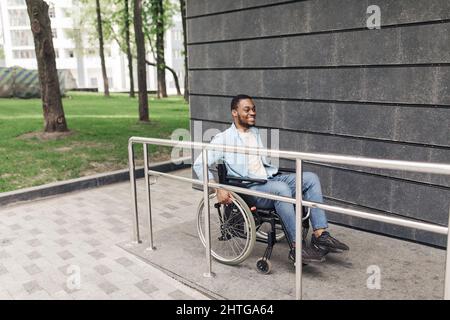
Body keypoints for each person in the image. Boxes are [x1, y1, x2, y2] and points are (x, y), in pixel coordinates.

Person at [193, 94, 349, 264]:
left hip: (268, 179)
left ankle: (320, 235)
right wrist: (218, 188)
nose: (252, 112)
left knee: (310, 178)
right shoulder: (223, 139)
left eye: (253, 109)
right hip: (250, 188)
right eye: (247, 109)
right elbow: (199, 163)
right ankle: (297, 247)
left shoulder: (255, 133)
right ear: (234, 113)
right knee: (282, 190)